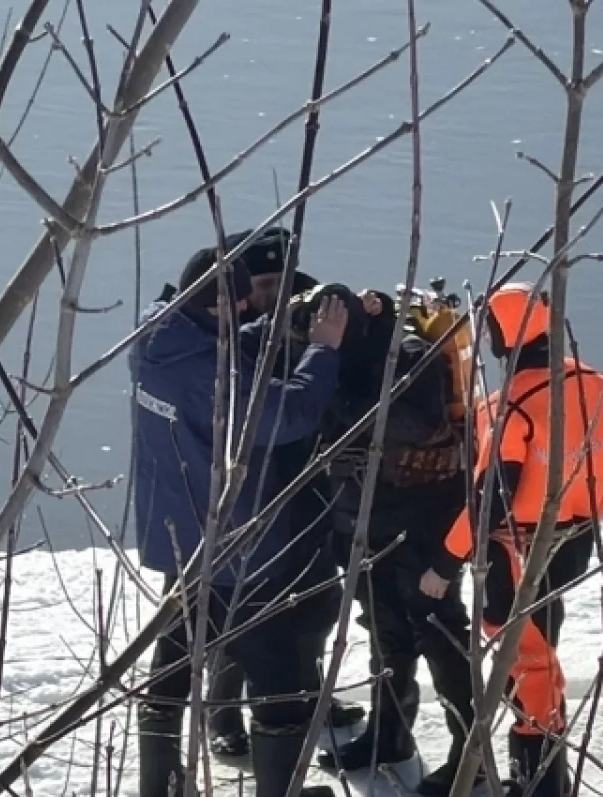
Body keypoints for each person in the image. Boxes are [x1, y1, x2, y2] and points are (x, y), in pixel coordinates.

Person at [130, 236, 351, 797]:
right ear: (216, 307)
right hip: (238, 547)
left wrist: (271, 331)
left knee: (174, 660)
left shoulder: (152, 340)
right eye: (241, 307)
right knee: (276, 678)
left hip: (178, 537)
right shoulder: (216, 377)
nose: (249, 310)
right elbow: (288, 413)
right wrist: (322, 348)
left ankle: (161, 784)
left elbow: (214, 356)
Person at [418, 282, 603, 797]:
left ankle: (538, 788)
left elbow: (494, 495)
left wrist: (445, 562)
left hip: (515, 555)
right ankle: (544, 781)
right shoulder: (597, 385)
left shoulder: (513, 404)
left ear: (510, 331)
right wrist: (588, 520)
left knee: (525, 668)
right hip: (572, 542)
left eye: (490, 327)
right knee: (541, 658)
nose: (487, 337)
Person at [200, 227, 366, 758]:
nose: (274, 293)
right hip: (245, 494)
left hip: (311, 483)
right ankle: (223, 711)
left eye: (282, 280)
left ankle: (307, 694)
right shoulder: (225, 331)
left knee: (316, 601)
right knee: (241, 613)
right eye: (264, 283)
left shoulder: (314, 308)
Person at [312, 287, 482, 796]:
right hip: (366, 516)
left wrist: (340, 400)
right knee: (384, 626)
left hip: (423, 514)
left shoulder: (408, 353)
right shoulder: (337, 353)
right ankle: (391, 734)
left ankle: (468, 755)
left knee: (438, 631)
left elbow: (420, 422)